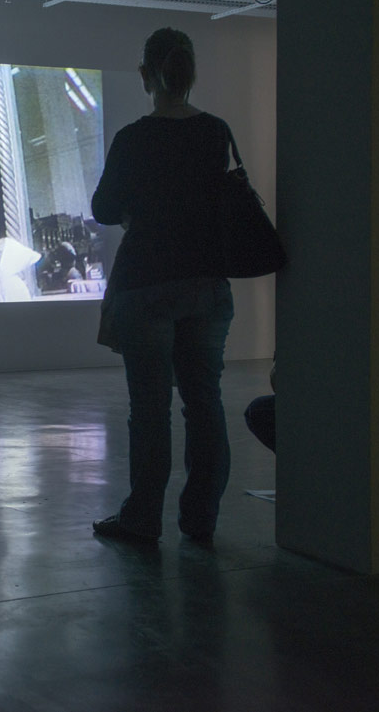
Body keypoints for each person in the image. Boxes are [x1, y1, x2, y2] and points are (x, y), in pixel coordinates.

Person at [90, 28, 237, 544]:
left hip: (147, 285)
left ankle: (142, 519)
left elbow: (103, 208)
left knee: (150, 409)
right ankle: (200, 520)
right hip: (206, 284)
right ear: (190, 72)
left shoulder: (134, 138)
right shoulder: (215, 132)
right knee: (204, 402)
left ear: (145, 76)